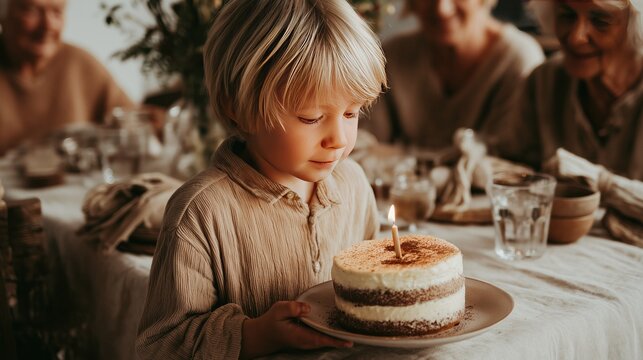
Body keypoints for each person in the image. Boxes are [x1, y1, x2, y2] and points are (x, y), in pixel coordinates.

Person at [135, 0, 386, 358]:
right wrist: (255, 335)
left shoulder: (354, 184)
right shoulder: (202, 213)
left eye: (351, 112)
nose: (339, 139)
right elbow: (161, 346)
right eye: (311, 117)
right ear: (237, 105)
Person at [362, 0, 544, 154]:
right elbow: (362, 146)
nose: (442, 9)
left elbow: (501, 163)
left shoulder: (518, 59)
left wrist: (400, 160)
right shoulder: (394, 53)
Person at [503, 0, 643, 181]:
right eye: (567, 16)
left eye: (601, 21)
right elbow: (510, 163)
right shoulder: (545, 80)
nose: (576, 37)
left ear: (637, 26)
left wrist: (603, 182)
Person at [0, 0, 133, 155]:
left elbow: (132, 122)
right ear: (3, 15)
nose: (48, 25)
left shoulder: (81, 63)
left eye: (57, 12)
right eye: (32, 11)